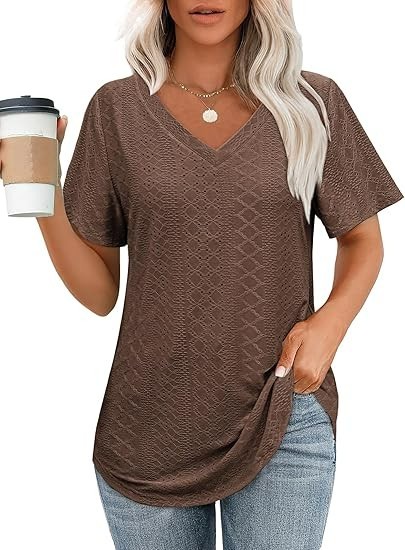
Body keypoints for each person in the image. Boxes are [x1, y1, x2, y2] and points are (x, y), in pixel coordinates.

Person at [18, 1, 403, 549]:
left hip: (280, 411)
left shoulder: (312, 101)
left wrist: (328, 327)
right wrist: (43, 191)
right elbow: (100, 293)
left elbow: (363, 241)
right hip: (148, 429)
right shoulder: (116, 110)